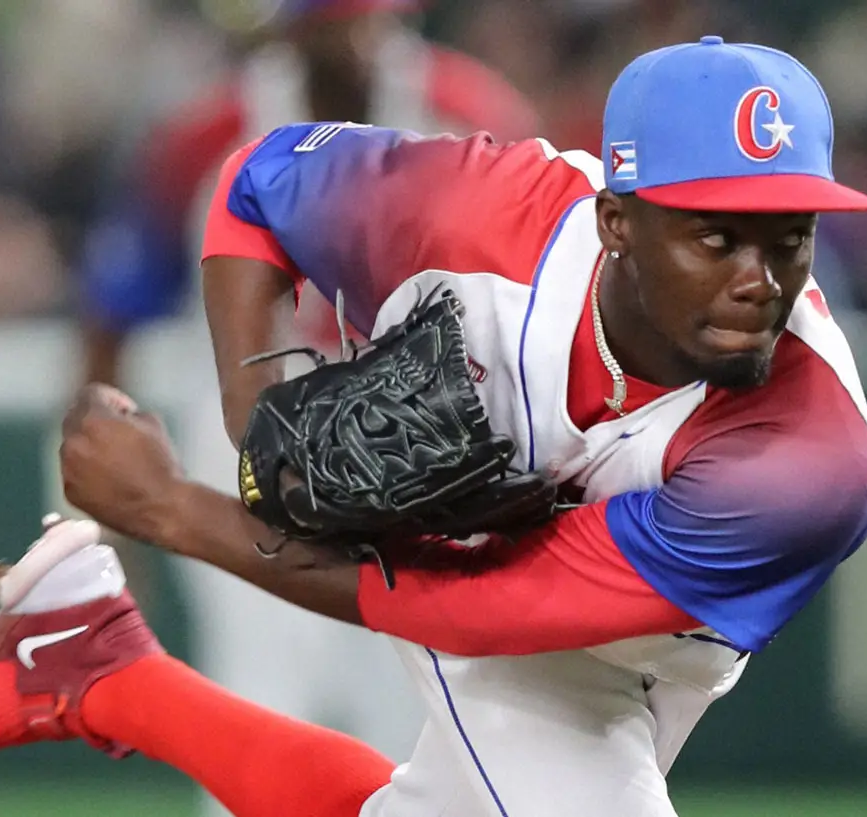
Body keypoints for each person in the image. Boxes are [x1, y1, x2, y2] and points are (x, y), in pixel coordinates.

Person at [0, 37, 867, 816]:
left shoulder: (805, 462)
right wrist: (258, 424)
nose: (760, 280)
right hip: (474, 528)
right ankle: (93, 660)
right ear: (618, 221)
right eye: (716, 234)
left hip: (621, 612)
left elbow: (479, 610)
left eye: (789, 236)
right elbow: (255, 187)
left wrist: (175, 510)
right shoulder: (469, 209)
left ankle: (93, 662)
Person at [73, 0, 540, 767]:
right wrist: (103, 526)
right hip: (247, 439)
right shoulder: (203, 135)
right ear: (290, 28)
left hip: (426, 439)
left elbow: (543, 306)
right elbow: (108, 321)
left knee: (425, 716)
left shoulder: (471, 115)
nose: (354, 38)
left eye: (366, 19)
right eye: (333, 21)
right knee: (261, 700)